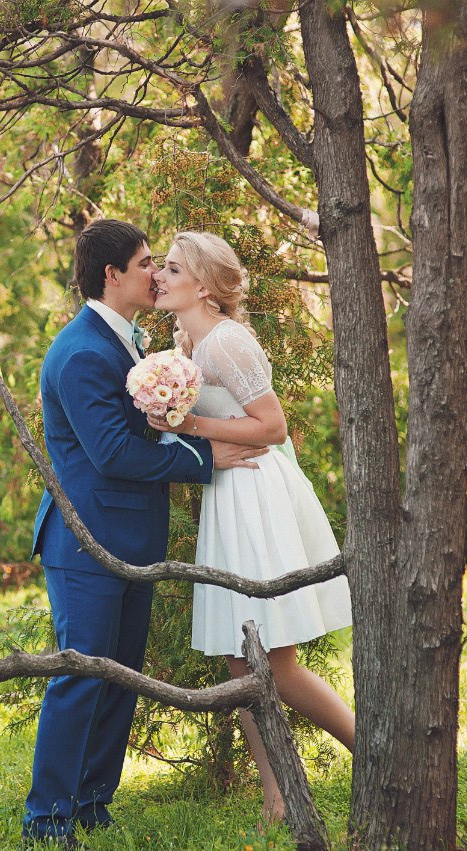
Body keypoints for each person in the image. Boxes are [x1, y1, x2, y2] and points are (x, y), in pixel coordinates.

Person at [25, 220, 267, 846]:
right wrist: (203, 462)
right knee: (81, 676)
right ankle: (46, 819)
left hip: (130, 540)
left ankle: (92, 804)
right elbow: (111, 454)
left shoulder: (128, 343)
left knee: (121, 674)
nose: (154, 274)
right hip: (86, 542)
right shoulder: (82, 352)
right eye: (143, 264)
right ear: (112, 276)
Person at [149, 230, 355, 823]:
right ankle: (277, 791)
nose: (159, 277)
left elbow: (271, 426)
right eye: (160, 267)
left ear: (206, 286)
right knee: (242, 663)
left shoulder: (228, 343)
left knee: (276, 660)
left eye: (171, 268)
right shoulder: (190, 339)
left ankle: (371, 752)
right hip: (227, 494)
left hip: (256, 494)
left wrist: (190, 428)